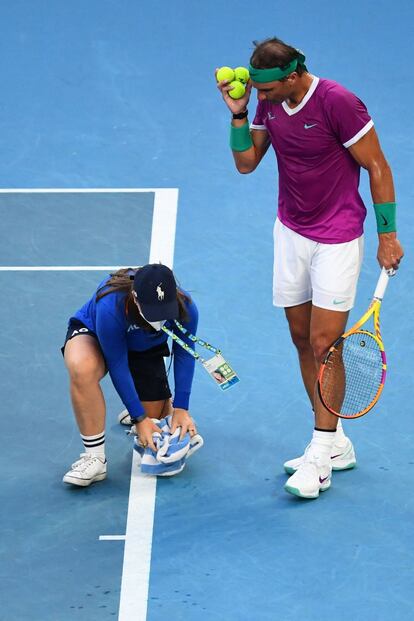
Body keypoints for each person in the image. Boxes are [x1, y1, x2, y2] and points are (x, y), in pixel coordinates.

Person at [216, 37, 404, 498]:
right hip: (290, 233)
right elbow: (246, 164)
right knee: (302, 338)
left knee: (325, 344)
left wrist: (387, 234)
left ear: (294, 76)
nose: (261, 98)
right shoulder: (266, 103)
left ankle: (319, 456)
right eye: (256, 91)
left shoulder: (339, 102)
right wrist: (238, 114)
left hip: (337, 238)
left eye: (267, 90)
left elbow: (377, 165)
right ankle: (336, 443)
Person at [62, 263, 199, 487]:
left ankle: (153, 406)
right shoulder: (110, 305)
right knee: (81, 367)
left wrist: (182, 408)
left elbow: (185, 353)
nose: (160, 319)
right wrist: (140, 418)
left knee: (154, 426)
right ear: (135, 298)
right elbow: (117, 363)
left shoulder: (186, 306)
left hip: (145, 347)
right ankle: (95, 458)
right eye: (154, 312)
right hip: (98, 336)